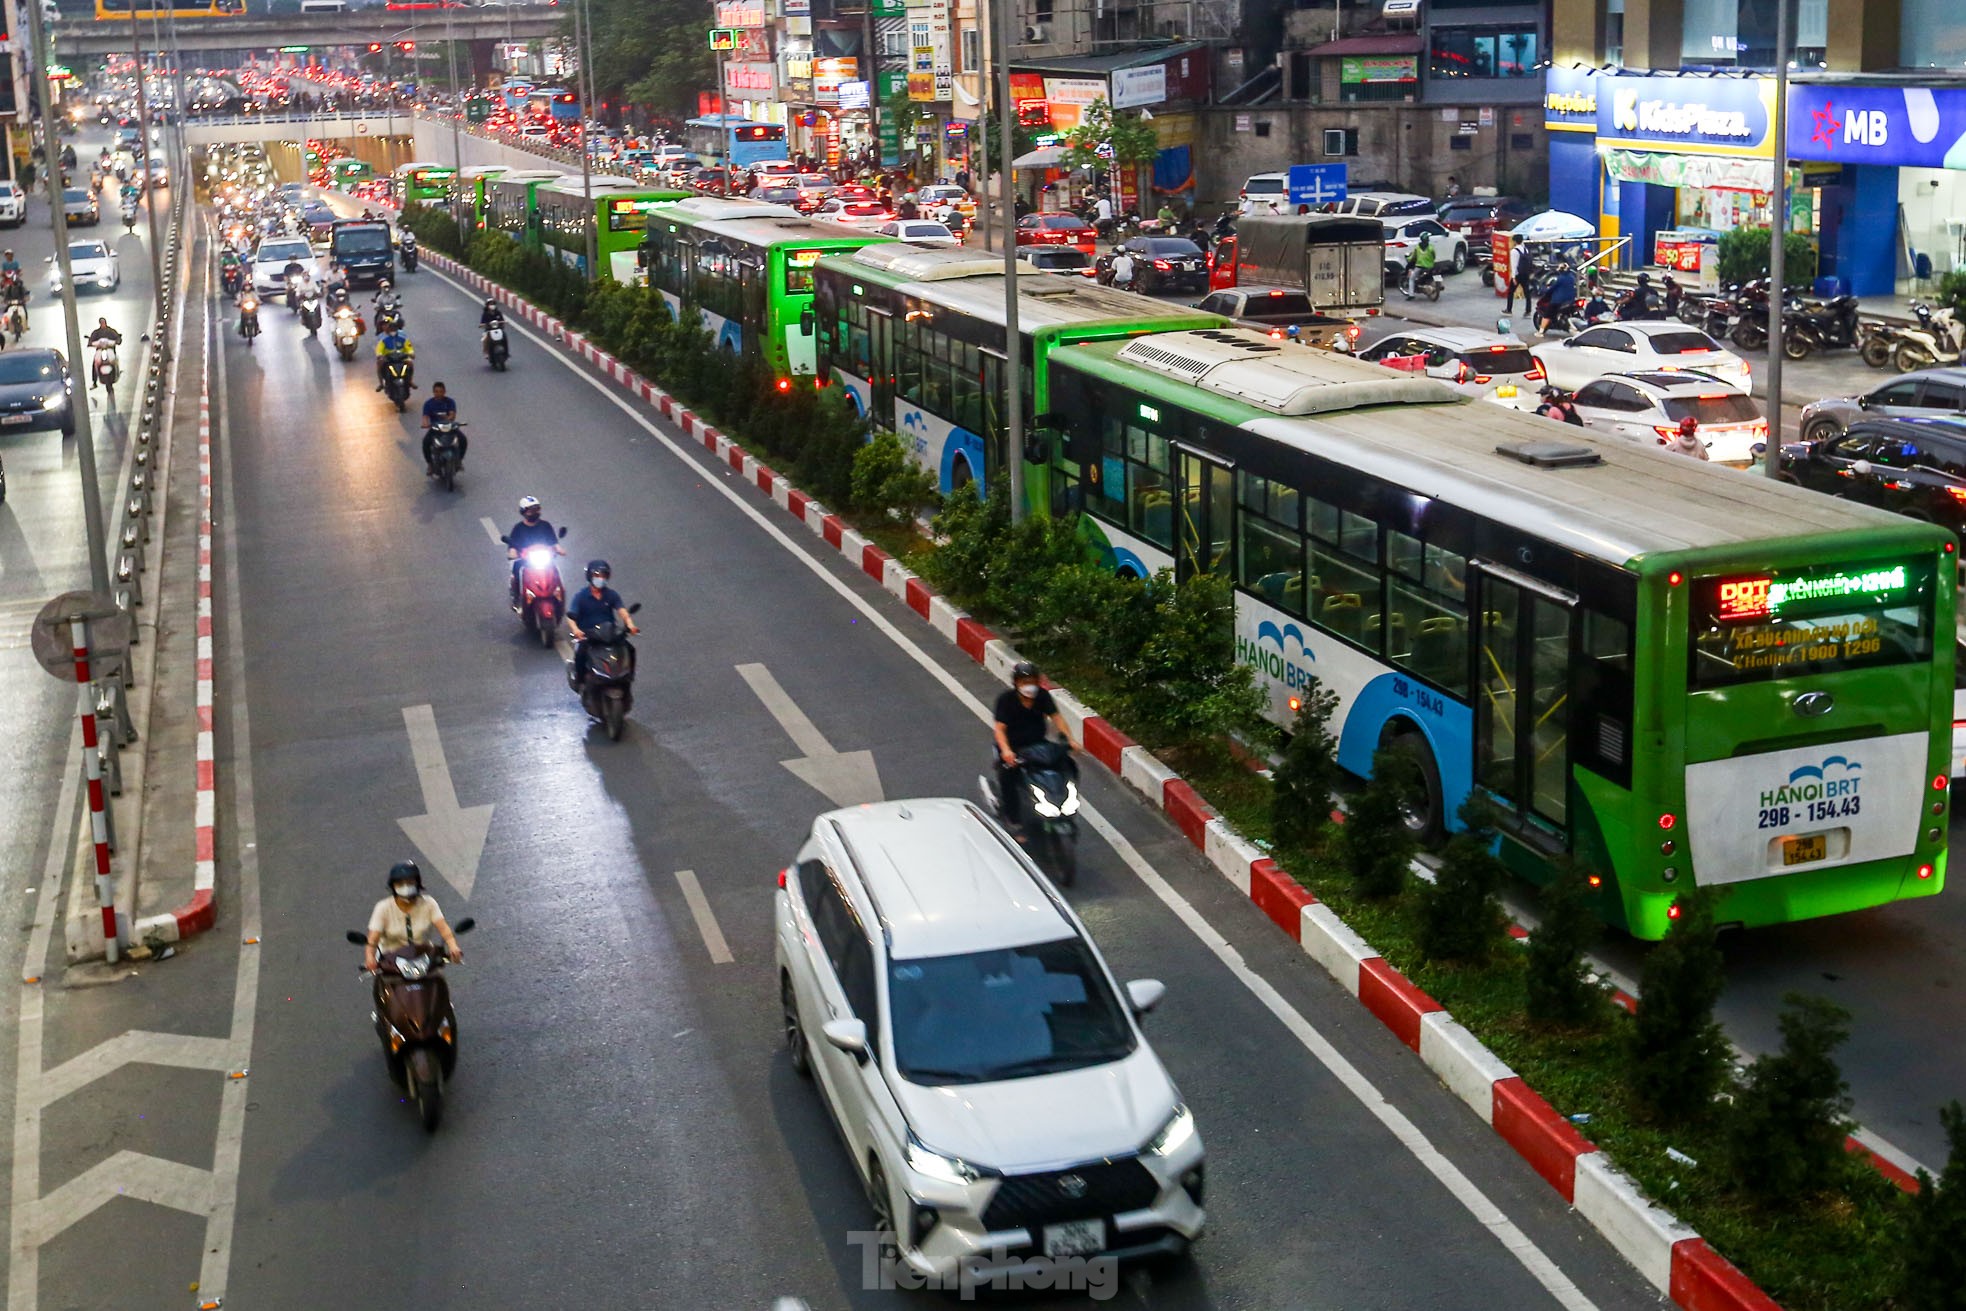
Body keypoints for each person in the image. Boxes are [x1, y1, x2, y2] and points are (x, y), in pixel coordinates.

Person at [992, 660, 1077, 827]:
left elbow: (1057, 718)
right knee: (1008, 776)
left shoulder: (1043, 696)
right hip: (1014, 748)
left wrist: (1070, 739)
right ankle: (1013, 819)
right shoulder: (1006, 700)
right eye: (1025, 682)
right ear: (1016, 683)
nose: (1029, 686)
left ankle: (1064, 803)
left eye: (1033, 682)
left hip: (1038, 746)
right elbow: (1000, 729)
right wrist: (1006, 751)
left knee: (1069, 765)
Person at [362, 861, 462, 974]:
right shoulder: (383, 908)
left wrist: (453, 947)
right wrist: (370, 957)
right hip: (391, 962)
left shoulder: (429, 903)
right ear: (393, 886)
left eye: (410, 882)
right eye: (400, 884)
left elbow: (444, 929)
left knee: (438, 983)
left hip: (423, 958)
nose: (406, 887)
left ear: (417, 883)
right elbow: (373, 939)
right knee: (385, 985)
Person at [565, 559, 638, 688]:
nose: (601, 579)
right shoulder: (581, 596)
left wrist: (630, 625)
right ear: (590, 577)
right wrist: (576, 630)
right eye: (597, 576)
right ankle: (580, 680)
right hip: (588, 634)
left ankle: (628, 676)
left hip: (609, 633)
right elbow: (571, 617)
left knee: (629, 649)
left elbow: (622, 611)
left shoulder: (611, 595)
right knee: (581, 653)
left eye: (603, 576)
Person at [505, 495, 562, 605]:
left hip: (545, 558)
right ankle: (517, 598)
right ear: (524, 512)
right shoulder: (518, 528)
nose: (534, 513)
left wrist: (559, 549)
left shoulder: (545, 525)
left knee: (556, 571)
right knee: (517, 570)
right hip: (525, 560)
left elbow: (553, 542)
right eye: (531, 511)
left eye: (536, 509)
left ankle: (558, 595)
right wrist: (513, 553)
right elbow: (512, 546)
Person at [420, 382, 466, 474]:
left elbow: (452, 415)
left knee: (463, 440)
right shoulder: (428, 404)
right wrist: (425, 424)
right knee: (426, 443)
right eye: (436, 391)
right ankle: (430, 464)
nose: (438, 394)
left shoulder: (450, 402)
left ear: (444, 392)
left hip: (449, 427)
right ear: (433, 392)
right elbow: (425, 417)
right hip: (435, 429)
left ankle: (459, 460)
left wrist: (448, 418)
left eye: (440, 391)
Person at [1534, 265, 1577, 335]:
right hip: (1570, 300)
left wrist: (1545, 291)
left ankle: (1540, 332)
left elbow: (1552, 288)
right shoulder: (1572, 277)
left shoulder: (1560, 278)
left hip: (1558, 301)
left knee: (1547, 315)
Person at [1508, 241, 1535, 314]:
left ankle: (1509, 309)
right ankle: (1528, 310)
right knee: (1527, 292)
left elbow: (1514, 265)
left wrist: (1513, 277)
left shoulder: (1514, 251)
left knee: (1510, 292)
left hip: (1518, 275)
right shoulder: (1526, 250)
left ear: (1515, 241)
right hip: (1526, 274)